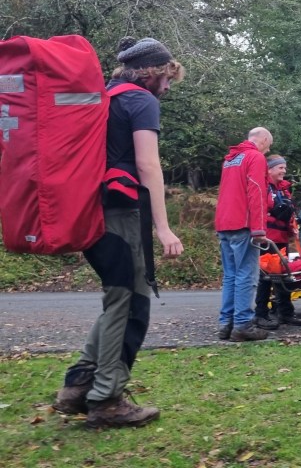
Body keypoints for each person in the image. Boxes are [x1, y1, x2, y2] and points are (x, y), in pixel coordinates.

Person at [53, 37, 184, 428]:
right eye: (168, 77)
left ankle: (78, 385)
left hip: (90, 212)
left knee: (119, 298)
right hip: (121, 215)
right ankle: (107, 399)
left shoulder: (103, 97)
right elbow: (148, 166)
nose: (169, 85)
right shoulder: (141, 102)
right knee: (129, 304)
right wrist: (163, 227)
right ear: (154, 70)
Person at [215, 127, 274, 342]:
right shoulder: (255, 157)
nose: (268, 151)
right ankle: (242, 325)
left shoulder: (231, 159)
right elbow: (256, 191)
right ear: (264, 139)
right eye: (269, 146)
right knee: (246, 276)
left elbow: (226, 191)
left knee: (230, 275)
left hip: (225, 223)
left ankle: (226, 323)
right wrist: (259, 229)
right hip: (243, 224)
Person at [254, 155, 301, 330]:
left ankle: (285, 313)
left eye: (284, 167)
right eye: (280, 167)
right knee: (266, 278)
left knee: (284, 276)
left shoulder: (283, 189)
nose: (284, 171)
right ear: (270, 169)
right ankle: (260, 314)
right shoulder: (263, 187)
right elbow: (260, 209)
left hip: (281, 239)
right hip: (267, 239)